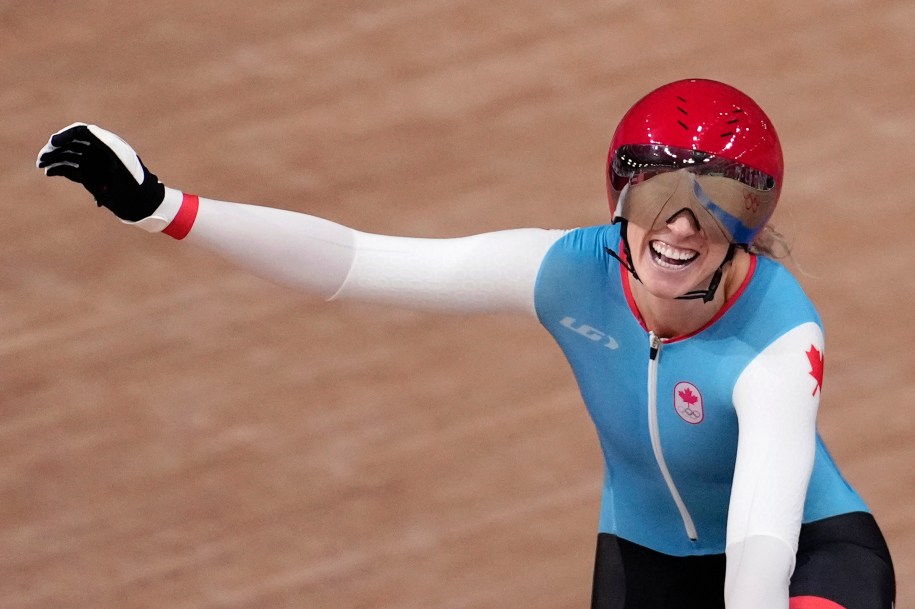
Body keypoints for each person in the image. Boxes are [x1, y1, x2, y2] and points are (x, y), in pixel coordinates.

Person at [37, 78, 895, 609]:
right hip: (646, 558)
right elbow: (357, 261)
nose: (680, 223)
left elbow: (758, 546)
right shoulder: (568, 272)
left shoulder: (781, 343)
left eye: (716, 202)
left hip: (805, 553)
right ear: (618, 196)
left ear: (754, 222)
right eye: (660, 191)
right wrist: (163, 206)